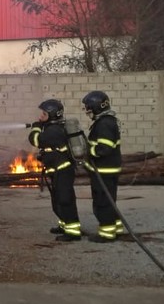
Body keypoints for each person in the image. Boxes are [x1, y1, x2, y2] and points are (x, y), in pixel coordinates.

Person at [28, 99, 82, 241]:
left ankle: (73, 232)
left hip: (62, 170)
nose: (40, 117)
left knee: (65, 200)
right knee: (58, 200)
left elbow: (35, 139)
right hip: (57, 169)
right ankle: (64, 225)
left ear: (52, 115)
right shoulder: (53, 128)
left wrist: (36, 127)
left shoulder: (54, 131)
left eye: (44, 114)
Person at [82, 90, 124, 243]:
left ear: (96, 107)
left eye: (88, 107)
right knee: (109, 200)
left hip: (104, 170)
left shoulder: (104, 123)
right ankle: (116, 228)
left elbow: (104, 149)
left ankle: (106, 234)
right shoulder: (106, 121)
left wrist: (88, 152)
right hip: (106, 169)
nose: (87, 111)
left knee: (103, 202)